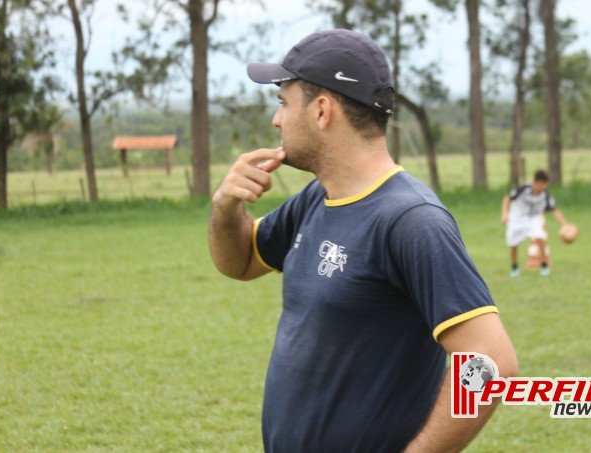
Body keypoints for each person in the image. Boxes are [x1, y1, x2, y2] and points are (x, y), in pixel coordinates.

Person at [209, 29, 518, 453]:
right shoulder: (317, 198)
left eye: (283, 103)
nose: (276, 120)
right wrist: (226, 208)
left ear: (321, 110)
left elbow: (491, 363)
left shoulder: (411, 220)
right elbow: (240, 261)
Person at [501, 169, 569, 277]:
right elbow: (507, 199)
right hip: (517, 218)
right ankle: (514, 267)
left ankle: (544, 265)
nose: (543, 188)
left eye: (545, 185)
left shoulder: (545, 195)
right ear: (536, 182)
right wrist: (504, 214)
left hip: (533, 218)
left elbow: (554, 210)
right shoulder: (523, 189)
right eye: (542, 185)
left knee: (540, 238)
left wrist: (565, 224)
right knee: (513, 244)